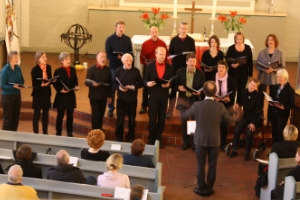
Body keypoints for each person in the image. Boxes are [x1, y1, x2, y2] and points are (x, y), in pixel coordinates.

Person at [183, 81, 238, 197]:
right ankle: (209, 189)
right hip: (214, 139)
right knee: (213, 165)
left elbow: (186, 114)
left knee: (200, 165)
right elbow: (229, 120)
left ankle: (201, 188)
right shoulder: (220, 106)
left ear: (203, 91)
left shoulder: (197, 105)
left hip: (200, 139)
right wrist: (234, 113)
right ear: (215, 93)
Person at [144, 47, 173, 148]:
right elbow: (144, 80)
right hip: (153, 96)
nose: (162, 56)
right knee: (152, 119)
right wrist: (148, 83)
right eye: (160, 54)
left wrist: (168, 85)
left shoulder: (169, 67)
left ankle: (158, 138)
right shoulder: (149, 66)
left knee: (161, 119)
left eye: (164, 55)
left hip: (164, 97)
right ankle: (151, 138)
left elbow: (172, 81)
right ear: (156, 54)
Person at [175, 53, 205, 150]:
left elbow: (203, 89)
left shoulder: (201, 74)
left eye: (194, 61)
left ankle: (193, 143)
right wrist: (178, 87)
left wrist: (199, 93)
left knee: (193, 121)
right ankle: (185, 142)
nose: (192, 63)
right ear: (186, 62)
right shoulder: (180, 72)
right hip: (183, 100)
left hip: (194, 100)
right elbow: (175, 85)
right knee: (184, 121)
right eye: (190, 61)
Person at [167, 21, 196, 119]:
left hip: (186, 68)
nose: (184, 30)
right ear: (179, 29)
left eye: (185, 29)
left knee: (185, 89)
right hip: (175, 67)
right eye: (182, 28)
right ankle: (170, 111)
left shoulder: (191, 41)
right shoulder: (174, 40)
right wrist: (171, 57)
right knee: (174, 89)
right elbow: (170, 54)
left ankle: (187, 110)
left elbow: (193, 54)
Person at [229, 78, 262, 161]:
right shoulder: (243, 92)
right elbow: (239, 102)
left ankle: (247, 152)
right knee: (237, 130)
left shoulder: (259, 96)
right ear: (248, 84)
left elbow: (258, 112)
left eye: (254, 85)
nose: (252, 86)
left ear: (256, 88)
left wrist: (253, 123)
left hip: (255, 118)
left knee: (249, 132)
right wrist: (237, 105)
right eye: (251, 84)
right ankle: (234, 149)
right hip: (246, 116)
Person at [105, 20, 133, 117]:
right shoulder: (110, 39)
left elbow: (131, 52)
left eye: (123, 27)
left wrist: (127, 58)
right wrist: (117, 57)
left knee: (124, 87)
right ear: (115, 28)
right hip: (114, 67)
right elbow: (108, 54)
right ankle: (110, 108)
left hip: (124, 68)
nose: (121, 29)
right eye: (119, 27)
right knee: (113, 87)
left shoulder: (127, 39)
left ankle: (124, 108)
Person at [113, 53, 143, 142]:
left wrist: (132, 87)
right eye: (126, 60)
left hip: (132, 99)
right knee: (120, 119)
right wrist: (119, 87)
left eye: (130, 60)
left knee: (132, 119)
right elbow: (113, 83)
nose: (129, 62)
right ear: (122, 61)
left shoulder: (136, 71)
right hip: (121, 99)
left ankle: (130, 137)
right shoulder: (118, 71)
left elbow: (140, 83)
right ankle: (119, 136)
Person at [139, 26, 168, 114]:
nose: (154, 34)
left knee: (159, 85)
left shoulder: (162, 43)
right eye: (153, 32)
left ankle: (159, 104)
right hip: (149, 67)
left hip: (160, 66)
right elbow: (142, 58)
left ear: (158, 32)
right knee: (146, 86)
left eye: (156, 32)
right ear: (150, 33)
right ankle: (144, 105)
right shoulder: (145, 43)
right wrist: (146, 62)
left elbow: (165, 57)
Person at [210, 60, 236, 151]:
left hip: (226, 104)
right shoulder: (212, 78)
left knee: (223, 123)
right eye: (219, 67)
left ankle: (223, 143)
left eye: (223, 67)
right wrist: (213, 97)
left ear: (226, 69)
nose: (220, 69)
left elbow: (232, 92)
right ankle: (214, 142)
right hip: (214, 103)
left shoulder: (231, 79)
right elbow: (209, 91)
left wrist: (228, 98)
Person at [53, 52, 79, 137]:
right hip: (61, 96)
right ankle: (58, 132)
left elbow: (75, 81)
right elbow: (55, 84)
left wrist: (76, 87)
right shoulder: (57, 71)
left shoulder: (73, 69)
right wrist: (60, 90)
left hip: (70, 95)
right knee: (60, 115)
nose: (68, 60)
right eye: (66, 59)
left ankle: (69, 131)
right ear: (61, 61)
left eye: (69, 58)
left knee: (70, 115)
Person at [85, 51, 112, 130]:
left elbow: (110, 83)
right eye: (101, 57)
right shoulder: (91, 69)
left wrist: (110, 95)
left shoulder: (108, 70)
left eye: (105, 57)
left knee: (101, 115)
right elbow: (87, 82)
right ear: (97, 58)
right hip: (94, 96)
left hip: (103, 96)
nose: (103, 59)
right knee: (96, 115)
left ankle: (99, 131)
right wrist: (93, 84)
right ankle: (94, 133)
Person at [268, 69, 295, 144]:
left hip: (282, 115)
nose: (278, 79)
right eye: (277, 77)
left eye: (280, 77)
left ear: (285, 78)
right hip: (273, 113)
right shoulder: (274, 87)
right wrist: (270, 102)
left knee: (280, 132)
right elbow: (271, 97)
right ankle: (274, 149)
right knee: (274, 131)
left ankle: (279, 150)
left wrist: (284, 108)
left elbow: (292, 104)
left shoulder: (290, 90)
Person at [256, 34, 285, 101]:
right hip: (263, 78)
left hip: (274, 79)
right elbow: (257, 66)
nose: (270, 41)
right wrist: (263, 69)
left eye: (272, 40)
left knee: (273, 98)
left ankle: (271, 111)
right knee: (260, 97)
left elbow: (283, 67)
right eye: (268, 40)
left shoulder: (280, 53)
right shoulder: (261, 52)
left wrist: (274, 69)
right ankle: (260, 111)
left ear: (275, 41)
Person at [1, 51, 24, 131]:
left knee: (16, 117)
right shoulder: (5, 70)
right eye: (15, 57)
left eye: (17, 57)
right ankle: (6, 139)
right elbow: (2, 85)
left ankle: (14, 135)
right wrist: (13, 87)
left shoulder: (18, 68)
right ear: (10, 59)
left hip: (17, 95)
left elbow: (22, 80)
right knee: (8, 118)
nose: (17, 59)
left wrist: (20, 85)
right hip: (8, 97)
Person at [226, 31, 253, 101]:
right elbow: (227, 61)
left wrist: (250, 75)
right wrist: (231, 65)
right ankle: (231, 107)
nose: (239, 41)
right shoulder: (231, 48)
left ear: (243, 39)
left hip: (244, 73)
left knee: (242, 90)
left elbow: (250, 62)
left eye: (240, 39)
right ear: (235, 39)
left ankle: (239, 107)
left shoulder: (247, 48)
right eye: (237, 39)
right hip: (233, 72)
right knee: (232, 90)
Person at [31, 51, 53, 134]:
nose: (45, 59)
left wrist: (51, 81)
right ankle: (36, 132)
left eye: (45, 57)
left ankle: (45, 132)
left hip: (46, 94)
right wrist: (41, 85)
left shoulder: (49, 67)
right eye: (43, 57)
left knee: (45, 115)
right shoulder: (34, 70)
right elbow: (34, 84)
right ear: (38, 59)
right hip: (38, 95)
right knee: (36, 115)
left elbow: (50, 78)